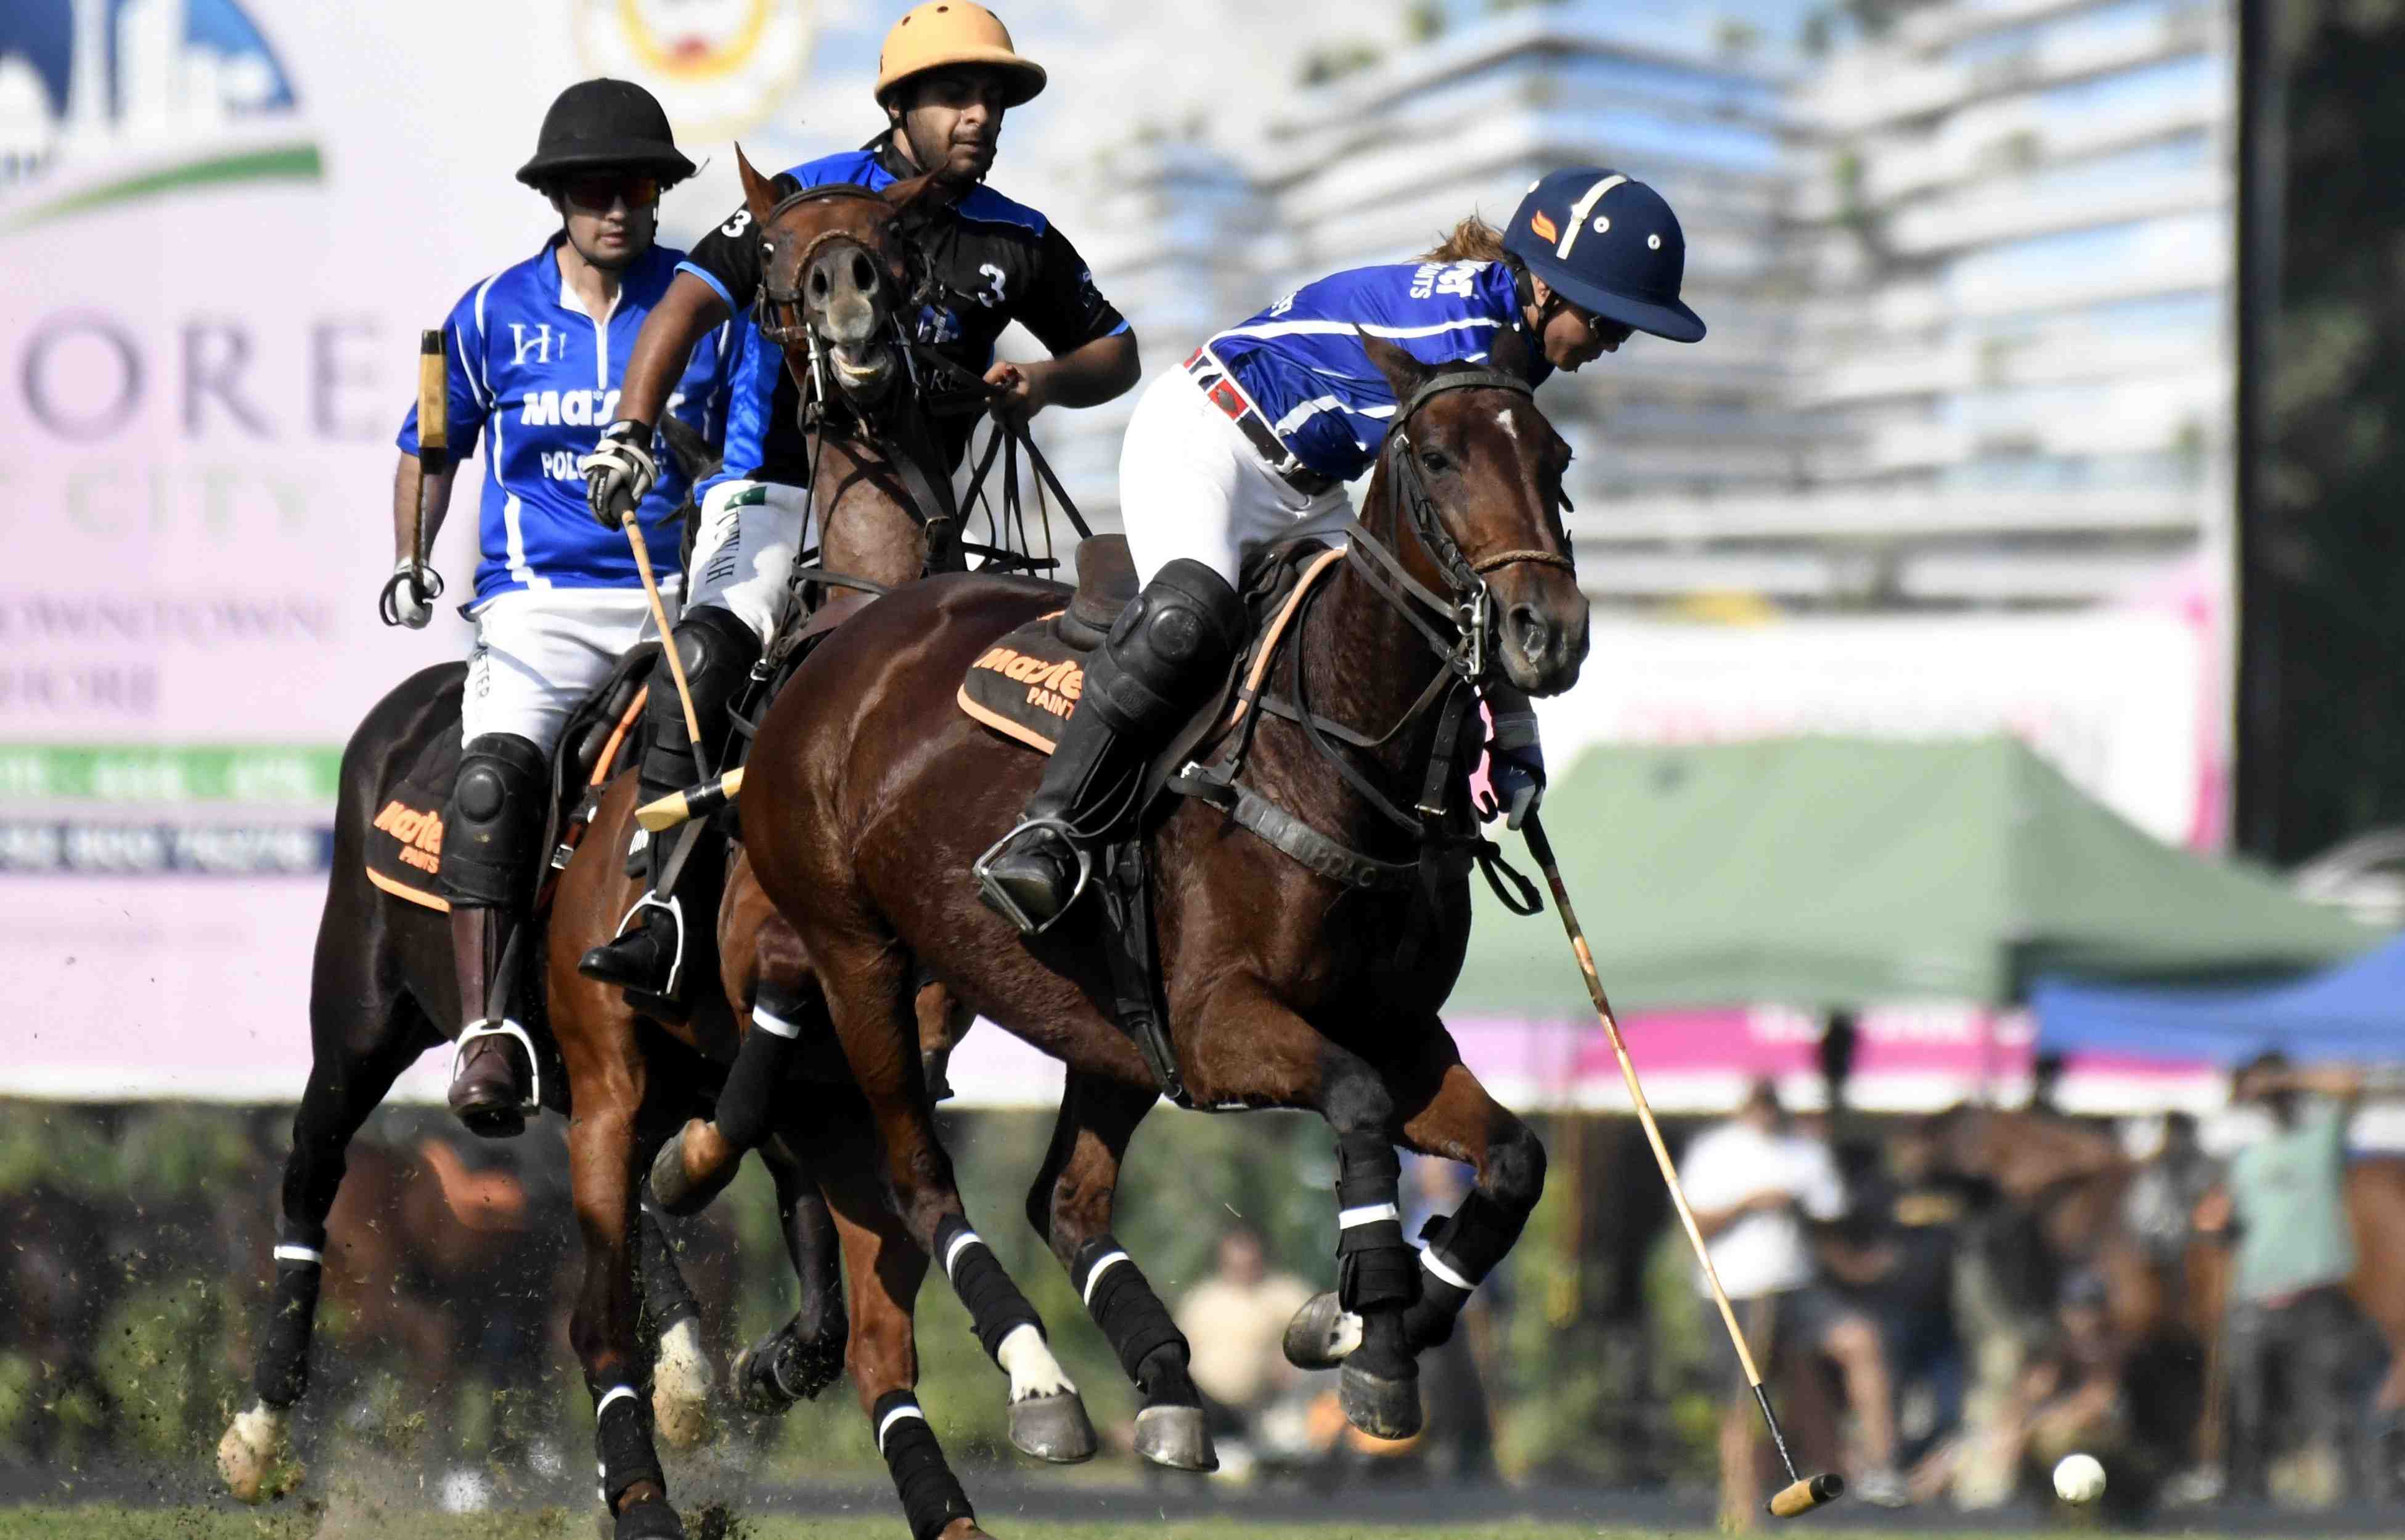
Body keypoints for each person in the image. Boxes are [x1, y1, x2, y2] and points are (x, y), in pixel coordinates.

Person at [972, 166, 1703, 931]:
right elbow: (1479, 556)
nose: (1610, 345)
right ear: (1547, 290)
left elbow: (1478, 565)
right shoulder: (1466, 349)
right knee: (1184, 623)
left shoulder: (1511, 341)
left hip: (1308, 487)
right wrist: (1514, 714)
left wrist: (1514, 734)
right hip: (1209, 437)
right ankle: (1049, 831)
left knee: (1376, 640)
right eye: (1608, 325)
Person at [580, 0, 1139, 996]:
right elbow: (688, 301)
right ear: (901, 107)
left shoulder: (1015, 239)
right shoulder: (803, 201)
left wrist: (1044, 382)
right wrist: (630, 428)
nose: (981, 115)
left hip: (918, 517)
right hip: (772, 491)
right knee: (709, 651)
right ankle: (659, 900)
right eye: (956, 95)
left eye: (994, 98)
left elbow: (1116, 350)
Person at [391, 79, 735, 1133]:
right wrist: (411, 553)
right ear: (557, 198)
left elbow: (743, 452)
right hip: (535, 606)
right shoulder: (488, 312)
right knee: (493, 782)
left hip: (670, 595)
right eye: (594, 189)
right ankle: (490, 1026)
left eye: (637, 186)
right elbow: (432, 446)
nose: (618, 207)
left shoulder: (701, 307)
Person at [1678, 1080, 1908, 1522]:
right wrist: (1751, 1203)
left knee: (1860, 1341)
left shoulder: (1806, 1153)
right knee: (1744, 1397)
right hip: (1737, 1290)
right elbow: (1695, 1224)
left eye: (1772, 1101)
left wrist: (1857, 1266)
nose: (1766, 1110)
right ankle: (1741, 1507)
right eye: (1758, 1101)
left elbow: (1826, 1229)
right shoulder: (1716, 1152)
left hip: (1797, 1286)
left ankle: (1881, 1468)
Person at [2210, 1051, 2365, 1500]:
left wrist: (2285, 1078)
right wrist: (2218, 1223)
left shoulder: (2318, 1142)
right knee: (2249, 1409)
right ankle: (2251, 1504)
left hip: (2314, 1297)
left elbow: (2351, 1082)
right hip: (2255, 1297)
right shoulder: (2246, 1158)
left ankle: (2352, 1505)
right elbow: (2230, 1220)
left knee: (2327, 1406)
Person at [1173, 1225, 1317, 1464]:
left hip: (1264, 1402)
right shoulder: (1201, 1300)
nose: (1243, 1266)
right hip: (1206, 1402)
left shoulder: (1283, 1294)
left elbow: (1319, 1332)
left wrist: (1291, 1357)